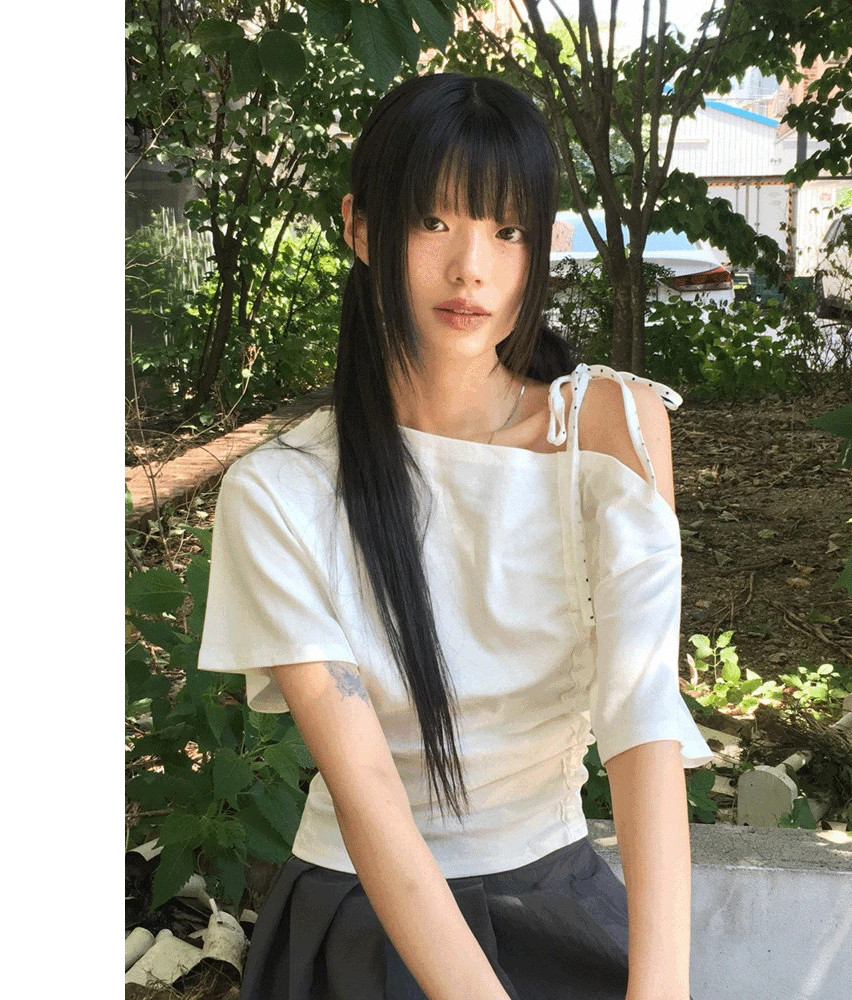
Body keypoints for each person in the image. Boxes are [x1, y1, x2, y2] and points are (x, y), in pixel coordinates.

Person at [197, 72, 713, 1000]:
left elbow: (643, 720)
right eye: (433, 221)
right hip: (365, 923)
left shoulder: (611, 429)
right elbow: (369, 797)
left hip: (553, 899)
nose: (472, 267)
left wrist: (662, 987)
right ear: (361, 229)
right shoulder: (280, 491)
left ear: (543, 246)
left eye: (507, 230)